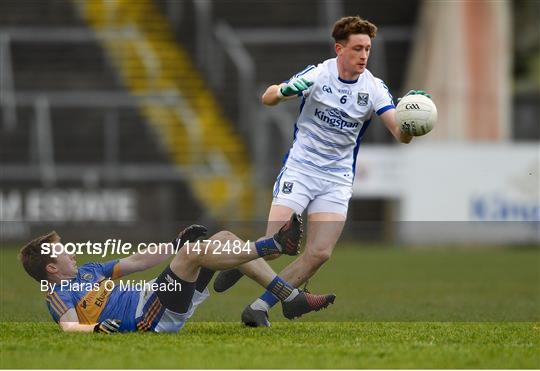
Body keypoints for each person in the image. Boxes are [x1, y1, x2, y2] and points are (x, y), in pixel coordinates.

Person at [213, 15, 433, 326]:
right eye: (357, 48)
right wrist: (285, 92)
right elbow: (267, 97)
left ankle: (259, 308)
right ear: (339, 49)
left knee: (319, 253)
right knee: (274, 247)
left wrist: (413, 124)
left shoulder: (374, 88)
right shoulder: (318, 74)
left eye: (367, 49)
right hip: (301, 169)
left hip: (336, 179)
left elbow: (401, 134)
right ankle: (243, 259)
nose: (363, 56)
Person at [19, 214, 335, 333]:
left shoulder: (88, 271)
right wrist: (98, 330)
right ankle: (274, 246)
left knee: (223, 239)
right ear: (50, 267)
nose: (71, 253)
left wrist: (174, 244)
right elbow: (69, 326)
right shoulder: (57, 293)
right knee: (194, 253)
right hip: (148, 316)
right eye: (63, 252)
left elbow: (137, 262)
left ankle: (288, 297)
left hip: (158, 297)